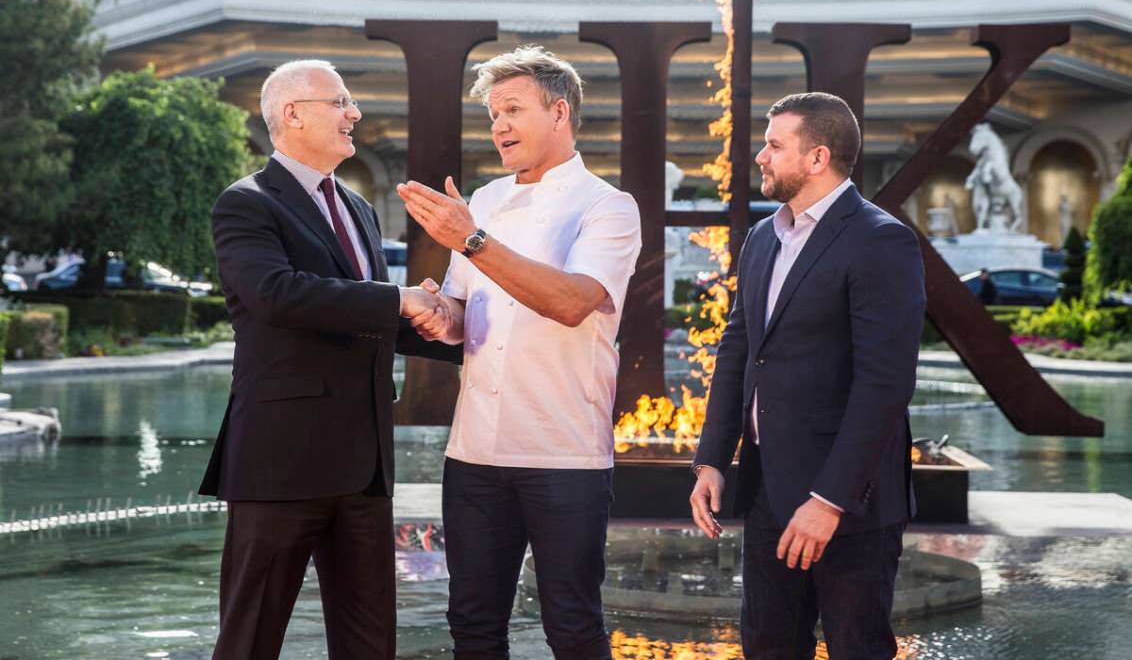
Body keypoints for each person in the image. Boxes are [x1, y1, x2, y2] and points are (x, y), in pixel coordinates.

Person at [198, 59, 460, 660]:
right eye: (340, 101)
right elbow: (278, 295)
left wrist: (447, 329)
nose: (355, 114)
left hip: (365, 468)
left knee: (370, 645)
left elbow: (369, 323)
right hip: (280, 464)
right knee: (249, 640)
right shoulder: (246, 203)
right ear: (293, 114)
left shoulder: (359, 209)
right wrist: (401, 298)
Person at [396, 46, 642, 660]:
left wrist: (470, 240)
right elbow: (461, 316)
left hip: (564, 454)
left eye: (512, 109)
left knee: (573, 627)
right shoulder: (483, 201)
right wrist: (434, 313)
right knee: (473, 627)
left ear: (559, 112)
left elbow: (571, 302)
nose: (498, 125)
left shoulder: (608, 206)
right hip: (474, 452)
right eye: (491, 113)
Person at [689, 92, 926, 660]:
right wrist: (713, 459)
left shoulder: (881, 239)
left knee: (857, 649)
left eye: (774, 145)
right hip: (770, 488)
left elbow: (884, 385)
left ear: (818, 157)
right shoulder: (762, 236)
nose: (761, 157)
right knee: (768, 647)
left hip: (852, 501)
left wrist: (829, 500)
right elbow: (739, 350)